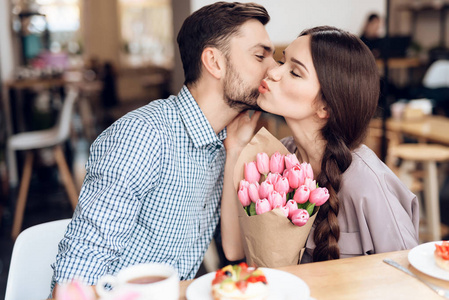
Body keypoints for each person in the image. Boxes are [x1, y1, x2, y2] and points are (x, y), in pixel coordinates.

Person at [50, 1, 274, 294]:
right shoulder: (143, 137)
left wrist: (236, 150)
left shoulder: (227, 140)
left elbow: (233, 251)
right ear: (214, 62)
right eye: (260, 56)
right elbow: (76, 275)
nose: (275, 70)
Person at [221, 26, 419, 263]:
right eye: (281, 61)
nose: (273, 72)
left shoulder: (367, 182)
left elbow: (409, 278)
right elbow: (235, 250)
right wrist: (234, 149)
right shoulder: (276, 160)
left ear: (325, 107)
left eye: (294, 72)